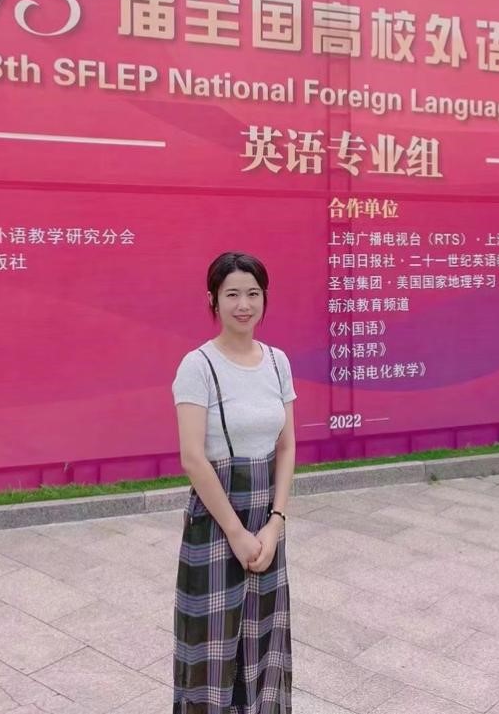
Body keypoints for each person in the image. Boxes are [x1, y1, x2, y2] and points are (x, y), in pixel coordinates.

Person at [171, 251, 296, 713]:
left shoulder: (278, 362)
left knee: (264, 639)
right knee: (212, 647)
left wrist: (276, 522)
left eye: (253, 294)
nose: (244, 305)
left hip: (265, 520)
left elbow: (287, 446)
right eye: (232, 294)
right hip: (217, 520)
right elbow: (193, 457)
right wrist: (236, 532)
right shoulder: (198, 366)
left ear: (265, 298)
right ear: (213, 300)